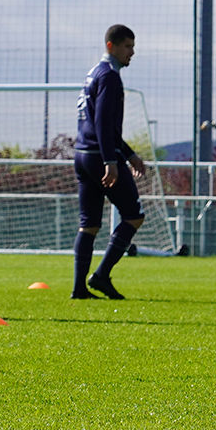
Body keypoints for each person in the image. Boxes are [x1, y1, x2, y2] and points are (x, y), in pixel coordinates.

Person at [72, 24, 146, 300]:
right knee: (134, 215)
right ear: (111, 46)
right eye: (127, 46)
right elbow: (103, 122)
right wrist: (111, 160)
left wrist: (129, 154)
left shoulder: (94, 73)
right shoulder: (110, 77)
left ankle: (79, 289)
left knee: (89, 224)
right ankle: (101, 275)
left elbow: (100, 124)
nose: (132, 52)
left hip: (82, 154)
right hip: (99, 156)